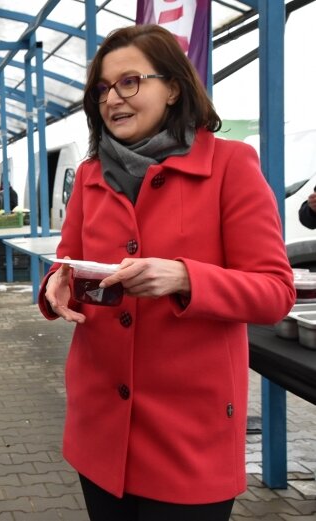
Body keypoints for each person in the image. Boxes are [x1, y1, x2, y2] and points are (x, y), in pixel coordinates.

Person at [39, 25, 294, 521]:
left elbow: (275, 291)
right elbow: (67, 261)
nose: (113, 98)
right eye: (102, 88)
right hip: (100, 429)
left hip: (188, 436)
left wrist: (184, 277)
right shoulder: (91, 175)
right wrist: (55, 286)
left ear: (174, 87)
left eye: (129, 81)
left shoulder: (230, 165)